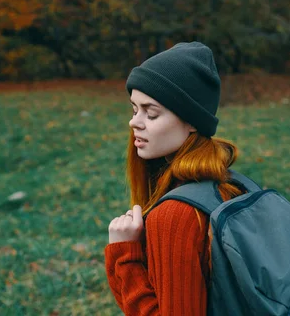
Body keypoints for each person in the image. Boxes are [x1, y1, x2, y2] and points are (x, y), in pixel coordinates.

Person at [105, 41, 245, 315]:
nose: (135, 122)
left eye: (151, 112)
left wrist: (124, 254)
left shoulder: (175, 216)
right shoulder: (228, 185)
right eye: (134, 109)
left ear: (192, 122)